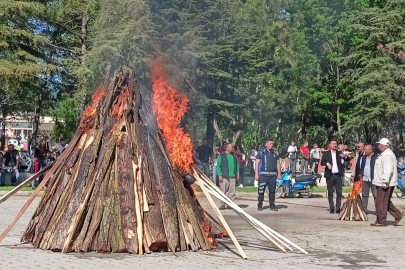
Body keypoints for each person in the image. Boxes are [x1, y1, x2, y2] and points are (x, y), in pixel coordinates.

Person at [372, 138, 403, 226]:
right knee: (385, 201)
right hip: (382, 182)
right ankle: (397, 215)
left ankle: (381, 221)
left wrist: (385, 182)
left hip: (385, 183)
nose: (378, 146)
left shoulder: (387, 155)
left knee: (381, 202)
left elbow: (388, 170)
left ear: (382, 145)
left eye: (379, 145)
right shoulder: (385, 154)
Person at [255, 139, 281, 211]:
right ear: (266, 144)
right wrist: (256, 174)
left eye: (272, 144)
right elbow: (257, 164)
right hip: (263, 175)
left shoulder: (275, 153)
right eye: (270, 144)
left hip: (272, 175)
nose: (271, 145)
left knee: (272, 191)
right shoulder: (261, 153)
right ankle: (260, 205)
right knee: (261, 190)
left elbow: (278, 164)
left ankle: (272, 205)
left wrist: (279, 174)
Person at [321, 139, 346, 214]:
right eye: (333, 144)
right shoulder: (326, 153)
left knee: (339, 192)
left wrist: (344, 157)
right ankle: (332, 207)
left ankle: (338, 208)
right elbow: (322, 162)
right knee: (330, 192)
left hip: (338, 175)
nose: (334, 145)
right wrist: (327, 164)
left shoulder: (339, 153)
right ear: (330, 145)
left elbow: (346, 159)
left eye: (335, 144)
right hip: (330, 175)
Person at [216, 143, 239, 210]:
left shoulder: (234, 156)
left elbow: (237, 164)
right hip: (224, 176)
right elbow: (218, 166)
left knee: (232, 191)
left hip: (232, 176)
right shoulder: (221, 156)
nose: (233, 149)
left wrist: (238, 173)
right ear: (227, 148)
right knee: (223, 191)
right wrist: (220, 175)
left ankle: (230, 204)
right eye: (232, 147)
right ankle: (222, 204)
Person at [361, 145, 377, 213]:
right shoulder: (363, 157)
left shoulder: (376, 157)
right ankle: (364, 210)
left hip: (374, 179)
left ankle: (378, 211)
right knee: (364, 195)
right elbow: (361, 167)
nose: (365, 151)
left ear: (370, 150)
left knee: (376, 195)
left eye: (366, 150)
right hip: (365, 179)